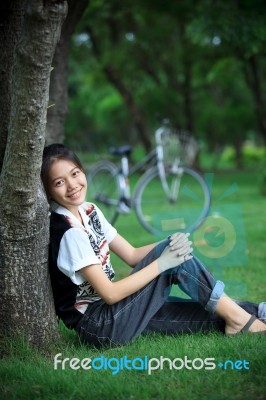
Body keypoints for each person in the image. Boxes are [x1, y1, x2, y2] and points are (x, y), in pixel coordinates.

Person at [41, 144, 266, 348]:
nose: (72, 185)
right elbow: (110, 293)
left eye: (75, 173)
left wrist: (170, 240)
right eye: (59, 182)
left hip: (117, 314)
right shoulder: (69, 232)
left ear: (82, 171)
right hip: (100, 325)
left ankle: (255, 314)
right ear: (49, 191)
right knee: (174, 260)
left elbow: (131, 255)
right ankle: (240, 320)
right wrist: (163, 263)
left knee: (202, 313)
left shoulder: (89, 211)